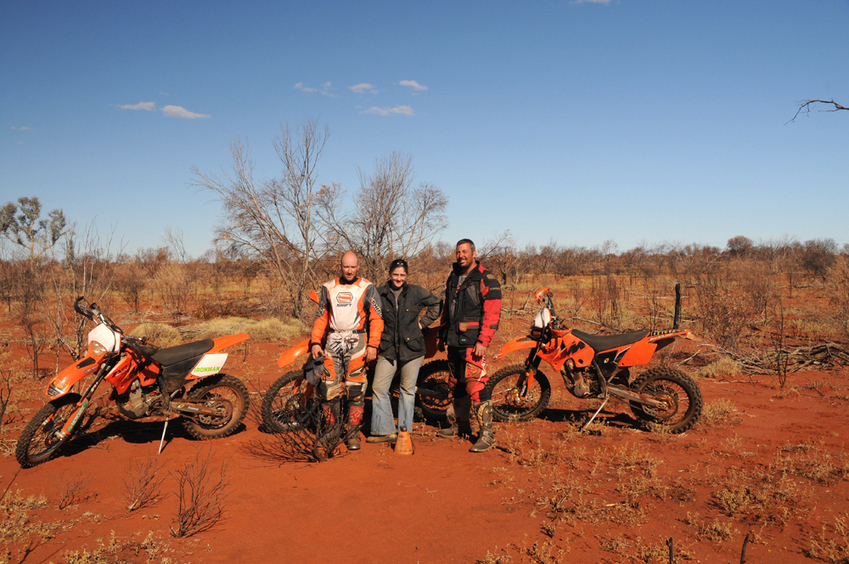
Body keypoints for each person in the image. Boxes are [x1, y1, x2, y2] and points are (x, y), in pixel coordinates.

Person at [310, 251, 383, 451]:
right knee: (328, 388)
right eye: (345, 266)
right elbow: (321, 316)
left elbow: (376, 318)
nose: (349, 270)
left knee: (356, 389)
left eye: (352, 267)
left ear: (358, 267)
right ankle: (331, 431)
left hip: (358, 340)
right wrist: (316, 341)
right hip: (332, 339)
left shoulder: (367, 287)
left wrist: (373, 345)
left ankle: (352, 434)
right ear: (340, 266)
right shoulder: (328, 287)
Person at [437, 238, 502, 453]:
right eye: (458, 252)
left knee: (475, 385)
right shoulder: (454, 275)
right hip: (454, 340)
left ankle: (487, 434)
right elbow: (448, 306)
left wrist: (483, 341)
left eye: (465, 252)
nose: (461, 255)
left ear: (474, 253)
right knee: (457, 383)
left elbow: (492, 313)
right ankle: (462, 427)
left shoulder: (485, 278)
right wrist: (442, 332)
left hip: (473, 343)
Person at [367, 258, 442, 444]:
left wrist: (422, 324)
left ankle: (404, 432)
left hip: (413, 349)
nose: (398, 278)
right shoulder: (378, 292)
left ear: (406, 275)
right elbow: (368, 314)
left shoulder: (415, 291)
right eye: (395, 274)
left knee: (407, 390)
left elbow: (436, 304)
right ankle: (384, 430)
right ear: (389, 274)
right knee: (378, 388)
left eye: (402, 275)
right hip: (388, 349)